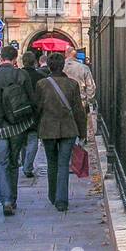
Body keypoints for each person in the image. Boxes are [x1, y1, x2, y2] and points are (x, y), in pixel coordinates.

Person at [0, 44, 36, 216]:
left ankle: (5, 199)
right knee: (13, 162)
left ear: (0, 57)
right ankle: (12, 199)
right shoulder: (21, 74)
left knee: (1, 163)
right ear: (14, 59)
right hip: (18, 126)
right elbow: (31, 100)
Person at [36, 53, 88, 211]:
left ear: (49, 66)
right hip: (68, 128)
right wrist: (82, 132)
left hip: (48, 128)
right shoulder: (72, 84)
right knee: (63, 164)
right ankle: (62, 200)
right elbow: (78, 110)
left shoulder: (41, 84)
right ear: (63, 66)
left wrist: (38, 126)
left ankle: (53, 195)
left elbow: (37, 108)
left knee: (52, 162)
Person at [19, 49, 47, 178]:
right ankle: (27, 166)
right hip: (34, 113)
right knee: (32, 141)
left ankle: (25, 163)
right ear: (35, 62)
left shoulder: (16, 76)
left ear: (22, 62)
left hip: (19, 113)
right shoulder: (40, 77)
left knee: (23, 141)